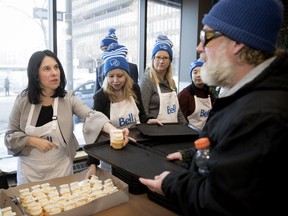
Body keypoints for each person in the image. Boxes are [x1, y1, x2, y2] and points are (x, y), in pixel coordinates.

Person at [139, 0, 288, 215]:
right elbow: (238, 157)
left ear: (237, 43)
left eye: (206, 37)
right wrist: (194, 155)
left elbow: (220, 202)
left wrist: (170, 183)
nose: (199, 47)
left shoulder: (263, 115)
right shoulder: (246, 93)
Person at [4, 50, 130, 185]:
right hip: (29, 173)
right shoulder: (22, 100)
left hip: (61, 171)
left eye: (56, 67)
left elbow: (91, 115)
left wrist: (113, 131)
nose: (54, 72)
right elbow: (10, 137)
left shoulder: (68, 98)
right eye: (47, 69)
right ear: (35, 75)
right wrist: (31, 141)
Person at [93, 43, 162, 128]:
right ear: (106, 77)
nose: (115, 81)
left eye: (120, 76)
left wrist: (148, 120)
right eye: (111, 76)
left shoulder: (134, 88)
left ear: (126, 76)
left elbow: (142, 115)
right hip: (114, 140)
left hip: (136, 136)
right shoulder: (100, 97)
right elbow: (96, 125)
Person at [139, 35, 187, 124]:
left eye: (165, 58)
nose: (161, 61)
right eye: (158, 57)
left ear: (170, 61)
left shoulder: (171, 82)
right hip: (155, 131)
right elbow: (143, 112)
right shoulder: (147, 80)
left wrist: (185, 125)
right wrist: (148, 121)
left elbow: (177, 110)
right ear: (153, 59)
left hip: (173, 130)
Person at [95, 28, 139, 92]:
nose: (105, 52)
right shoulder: (99, 69)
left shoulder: (132, 68)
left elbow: (134, 90)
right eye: (103, 50)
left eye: (106, 49)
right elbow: (97, 90)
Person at [178, 59, 215, 132]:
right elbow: (180, 120)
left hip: (206, 135)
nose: (198, 75)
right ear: (191, 75)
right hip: (189, 135)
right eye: (195, 72)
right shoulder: (185, 94)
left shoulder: (210, 95)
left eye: (201, 72)